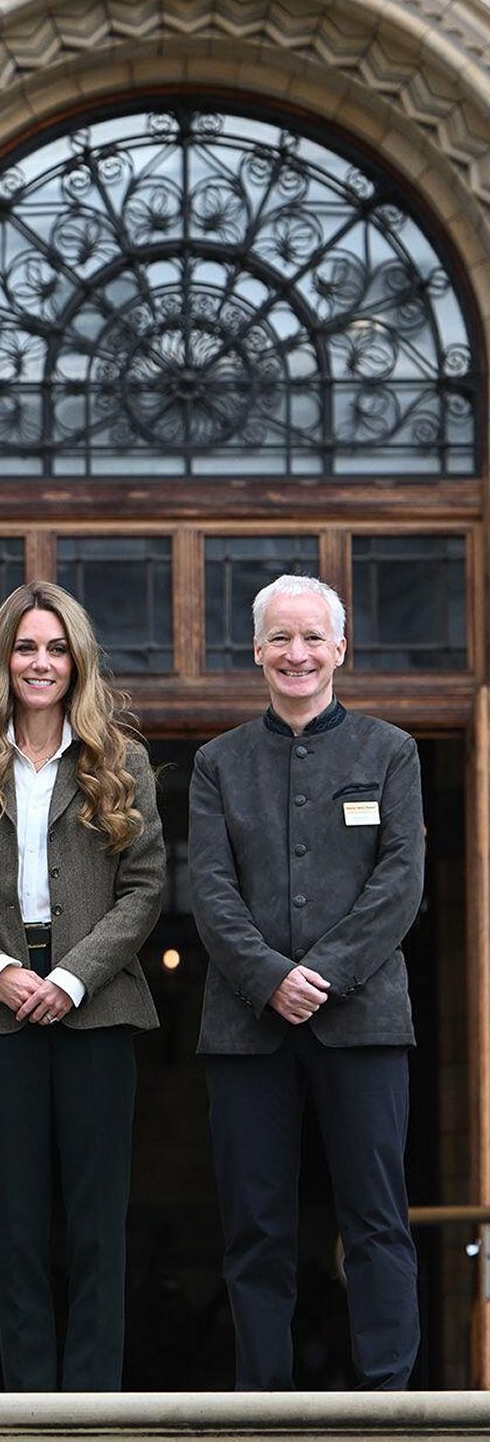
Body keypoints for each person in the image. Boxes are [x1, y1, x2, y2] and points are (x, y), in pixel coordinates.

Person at [0, 581, 164, 1391]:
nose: (41, 662)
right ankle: (29, 1403)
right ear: (3, 660)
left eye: (56, 648)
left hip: (97, 1008)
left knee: (97, 1222)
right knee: (12, 1222)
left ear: (78, 660)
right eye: (26, 648)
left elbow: (146, 890)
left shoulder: (120, 764)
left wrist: (69, 977)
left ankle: (94, 1405)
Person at [189, 573, 424, 1391]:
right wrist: (270, 977)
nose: (297, 653)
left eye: (312, 638)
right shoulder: (218, 764)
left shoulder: (391, 752)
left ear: (340, 650)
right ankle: (264, 1402)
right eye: (281, 639)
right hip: (246, 1029)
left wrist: (317, 974)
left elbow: (400, 884)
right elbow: (209, 892)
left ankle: (390, 1397)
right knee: (255, 1226)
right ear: (256, 651)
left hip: (363, 1024)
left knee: (376, 1217)